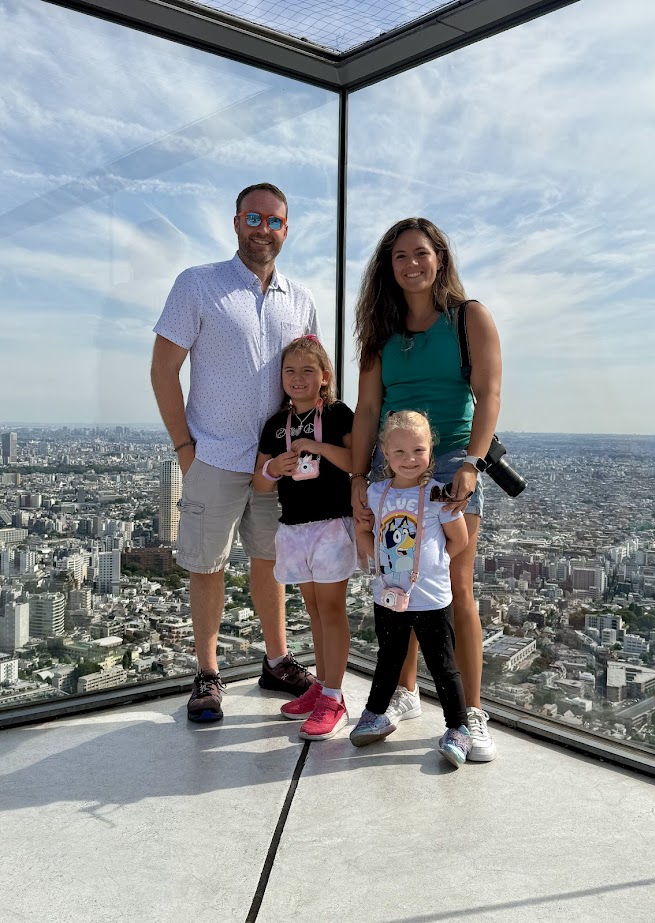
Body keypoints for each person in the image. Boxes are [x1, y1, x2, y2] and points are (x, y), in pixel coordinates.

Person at [151, 183, 320, 723]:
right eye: (254, 217)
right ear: (236, 222)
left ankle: (276, 660)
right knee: (208, 566)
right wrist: (185, 449)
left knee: (272, 564)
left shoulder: (302, 299)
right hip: (215, 455)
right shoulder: (198, 285)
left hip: (278, 461)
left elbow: (313, 379)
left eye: (274, 221)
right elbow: (162, 370)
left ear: (286, 230)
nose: (262, 229)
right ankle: (207, 673)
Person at [351, 217, 502, 761]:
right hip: (391, 468)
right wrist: (358, 480)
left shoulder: (469, 318)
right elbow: (368, 408)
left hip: (452, 464)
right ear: (387, 268)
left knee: (454, 585)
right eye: (399, 257)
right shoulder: (380, 332)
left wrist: (473, 465)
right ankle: (406, 694)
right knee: (397, 584)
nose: (411, 265)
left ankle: (472, 713)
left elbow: (488, 395)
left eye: (421, 253)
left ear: (440, 257)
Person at [350, 411, 472, 768]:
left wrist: (431, 566)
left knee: (443, 664)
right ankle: (375, 712)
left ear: (431, 453)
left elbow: (459, 541)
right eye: (399, 452)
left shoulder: (438, 495)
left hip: (431, 596)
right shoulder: (375, 493)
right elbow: (368, 535)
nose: (409, 459)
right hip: (388, 592)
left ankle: (459, 727)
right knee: (388, 656)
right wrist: (384, 558)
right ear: (384, 453)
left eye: (418, 450)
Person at [253, 336, 356, 740]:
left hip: (331, 523)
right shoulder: (275, 424)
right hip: (294, 526)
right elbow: (260, 484)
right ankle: (322, 686)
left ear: (324, 377)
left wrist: (316, 445)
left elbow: (355, 462)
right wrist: (275, 467)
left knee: (331, 609)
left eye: (307, 371)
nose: (297, 378)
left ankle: (334, 697)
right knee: (314, 609)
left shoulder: (337, 414)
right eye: (290, 371)